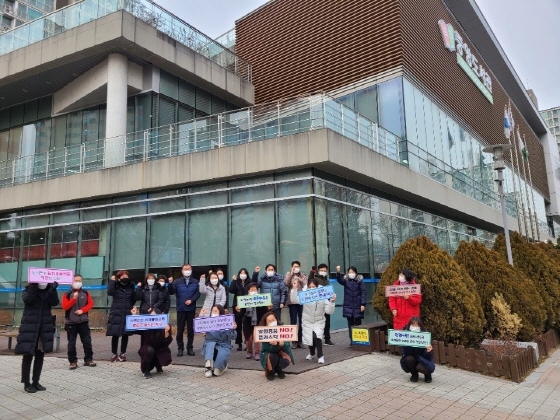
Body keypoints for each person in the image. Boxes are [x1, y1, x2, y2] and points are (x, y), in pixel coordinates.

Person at [16, 281, 59, 393]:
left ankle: (36, 381)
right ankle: (26, 382)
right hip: (30, 328)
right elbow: (28, 300)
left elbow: (54, 302)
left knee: (40, 356)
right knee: (28, 355)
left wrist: (53, 290)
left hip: (43, 329)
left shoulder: (48, 292)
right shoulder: (27, 290)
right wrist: (33, 286)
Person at [61, 274, 96, 370]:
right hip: (71, 322)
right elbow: (65, 307)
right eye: (76, 280)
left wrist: (82, 310)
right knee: (71, 343)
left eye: (79, 281)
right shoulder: (67, 294)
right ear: (72, 282)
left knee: (87, 341)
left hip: (83, 321)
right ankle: (73, 361)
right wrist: (73, 299)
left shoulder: (85, 293)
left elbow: (90, 304)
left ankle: (88, 359)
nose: (78, 282)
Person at [168, 264, 200, 356]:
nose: (187, 271)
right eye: (185, 269)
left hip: (191, 309)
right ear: (182, 271)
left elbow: (197, 293)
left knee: (190, 330)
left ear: (191, 270)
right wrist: (170, 284)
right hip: (181, 309)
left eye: (188, 269)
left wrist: (192, 300)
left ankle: (190, 348)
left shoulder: (195, 281)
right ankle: (180, 348)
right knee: (180, 330)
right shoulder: (177, 281)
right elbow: (171, 292)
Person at [132, 307, 173, 379]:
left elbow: (167, 342)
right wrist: (134, 317)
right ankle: (146, 369)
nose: (153, 318)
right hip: (147, 347)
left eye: (155, 316)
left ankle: (158, 364)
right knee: (148, 350)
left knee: (164, 357)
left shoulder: (165, 325)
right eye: (151, 316)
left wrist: (166, 332)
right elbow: (134, 330)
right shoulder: (145, 325)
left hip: (160, 348)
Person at [302, 279, 336, 364]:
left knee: (317, 337)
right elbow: (295, 299)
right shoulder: (304, 296)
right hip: (307, 321)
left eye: (314, 287)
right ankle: (312, 352)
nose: (312, 288)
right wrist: (294, 289)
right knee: (309, 337)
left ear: (317, 287)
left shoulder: (322, 297)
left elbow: (329, 311)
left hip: (318, 321)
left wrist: (331, 302)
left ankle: (320, 356)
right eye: (310, 287)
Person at [106, 270, 137, 362]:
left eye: (126, 277)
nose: (125, 279)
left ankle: (123, 353)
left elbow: (134, 298)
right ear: (118, 279)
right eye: (123, 277)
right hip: (116, 312)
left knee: (125, 334)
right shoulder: (115, 287)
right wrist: (112, 281)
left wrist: (132, 306)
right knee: (115, 334)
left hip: (127, 312)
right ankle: (114, 353)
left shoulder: (131, 287)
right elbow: (110, 292)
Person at [201, 304, 237, 377]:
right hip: (210, 343)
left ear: (220, 312)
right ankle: (208, 367)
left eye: (216, 311)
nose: (214, 313)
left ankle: (221, 367)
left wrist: (232, 329)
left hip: (223, 344)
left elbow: (233, 337)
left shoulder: (226, 321)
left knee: (217, 371)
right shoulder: (208, 321)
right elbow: (200, 327)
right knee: (210, 346)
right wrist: (202, 316)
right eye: (213, 311)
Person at [335, 265, 367, 345]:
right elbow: (339, 280)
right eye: (349, 272)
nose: (351, 274)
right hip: (348, 306)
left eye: (353, 272)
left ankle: (359, 341)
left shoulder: (360, 281)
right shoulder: (346, 281)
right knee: (350, 325)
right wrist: (338, 272)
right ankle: (352, 341)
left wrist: (363, 304)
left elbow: (363, 293)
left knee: (358, 324)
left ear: (356, 273)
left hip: (358, 306)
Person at [259, 311, 294, 380]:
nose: (272, 322)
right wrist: (273, 345)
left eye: (273, 320)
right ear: (266, 323)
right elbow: (268, 350)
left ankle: (278, 369)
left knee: (285, 361)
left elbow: (288, 345)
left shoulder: (282, 327)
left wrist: (283, 344)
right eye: (269, 321)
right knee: (273, 356)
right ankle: (271, 371)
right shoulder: (264, 332)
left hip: (281, 353)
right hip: (269, 355)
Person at [400, 317, 434, 383]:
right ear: (409, 325)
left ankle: (427, 375)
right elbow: (405, 353)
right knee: (409, 359)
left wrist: (428, 351)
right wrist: (408, 344)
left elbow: (429, 357)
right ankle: (414, 374)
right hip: (412, 357)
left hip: (423, 359)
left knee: (421, 367)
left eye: (417, 325)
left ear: (420, 326)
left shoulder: (426, 336)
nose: (415, 327)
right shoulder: (404, 335)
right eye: (413, 325)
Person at [309, 263, 334, 345]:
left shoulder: (326, 280)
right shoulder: (315, 279)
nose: (323, 272)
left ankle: (327, 339)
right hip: (317, 304)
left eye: (325, 271)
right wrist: (312, 272)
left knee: (327, 322)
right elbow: (310, 279)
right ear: (318, 271)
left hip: (326, 303)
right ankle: (315, 339)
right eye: (321, 270)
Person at [285, 260, 308, 349]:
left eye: (297, 266)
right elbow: (286, 283)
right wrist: (291, 274)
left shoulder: (303, 275)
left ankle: (300, 341)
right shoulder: (288, 274)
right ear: (292, 267)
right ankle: (294, 341)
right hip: (292, 301)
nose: (296, 268)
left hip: (301, 301)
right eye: (294, 266)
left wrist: (299, 279)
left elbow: (306, 284)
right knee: (293, 321)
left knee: (302, 321)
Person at [241, 282, 266, 360]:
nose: (253, 291)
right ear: (248, 291)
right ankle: (249, 351)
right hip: (247, 321)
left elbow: (264, 311)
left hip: (258, 321)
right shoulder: (244, 299)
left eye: (255, 289)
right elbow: (241, 313)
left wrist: (268, 306)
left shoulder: (261, 299)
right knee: (249, 339)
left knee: (257, 338)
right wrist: (239, 308)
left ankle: (257, 352)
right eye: (251, 289)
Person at [229, 268, 250, 351]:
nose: (243, 274)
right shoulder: (236, 281)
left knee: (246, 325)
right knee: (238, 325)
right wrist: (233, 281)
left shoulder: (249, 281)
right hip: (237, 306)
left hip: (247, 305)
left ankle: (247, 342)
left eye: (244, 273)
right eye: (241, 273)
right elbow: (231, 290)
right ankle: (239, 343)